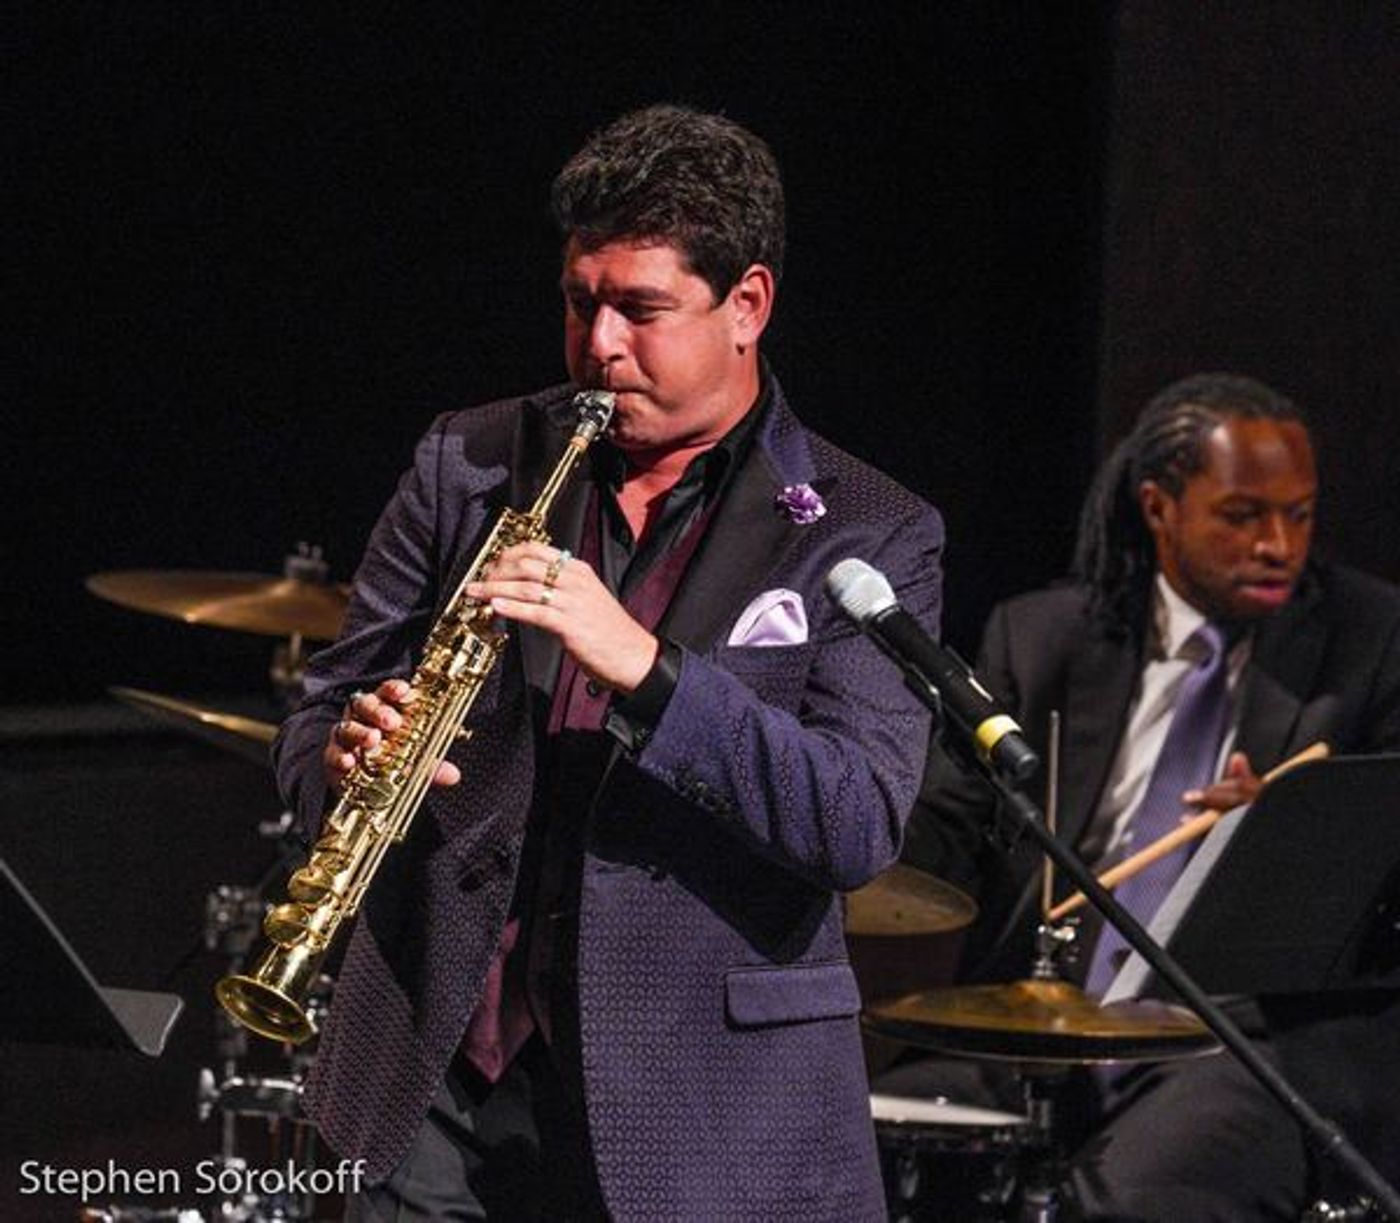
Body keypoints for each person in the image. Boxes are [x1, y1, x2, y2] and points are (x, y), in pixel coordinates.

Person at [272, 103, 944, 1221]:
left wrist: (650, 669)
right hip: (431, 1077)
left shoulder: (863, 526)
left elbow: (857, 816)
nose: (599, 346)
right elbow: (321, 705)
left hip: (700, 1113)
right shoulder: (469, 458)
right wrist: (337, 754)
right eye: (579, 303)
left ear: (747, 305)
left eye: (641, 308)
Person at [893, 372, 1400, 1219]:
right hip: (1048, 1023)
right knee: (831, 1141)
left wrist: (1282, 841)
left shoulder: (1370, 639)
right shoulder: (1046, 636)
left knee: (1140, 1202)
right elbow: (944, 826)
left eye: (1300, 514)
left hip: (1241, 1038)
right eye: (1243, 515)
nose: (1280, 543)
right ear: (1160, 506)